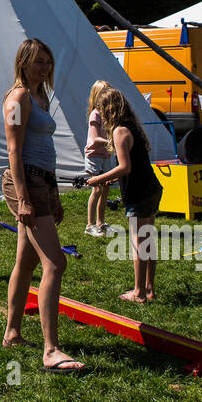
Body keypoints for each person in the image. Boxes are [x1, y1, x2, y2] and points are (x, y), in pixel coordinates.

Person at [1, 38, 85, 375]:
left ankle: (12, 333)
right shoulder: (18, 98)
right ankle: (51, 350)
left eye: (47, 62)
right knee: (56, 263)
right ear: (23, 62)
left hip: (43, 182)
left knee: (25, 260)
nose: (44, 68)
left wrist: (54, 194)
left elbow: (43, 147)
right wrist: (23, 198)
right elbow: (13, 150)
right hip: (26, 183)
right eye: (38, 62)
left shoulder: (41, 96)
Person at [87, 87, 161, 303]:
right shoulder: (132, 127)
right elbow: (133, 164)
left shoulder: (119, 131)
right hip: (151, 188)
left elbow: (125, 167)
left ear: (109, 109)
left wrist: (98, 179)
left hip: (139, 192)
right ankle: (150, 289)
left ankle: (138, 293)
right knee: (148, 239)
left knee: (139, 242)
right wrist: (112, 178)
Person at [83, 80, 115, 238]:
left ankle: (101, 222)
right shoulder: (95, 114)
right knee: (97, 189)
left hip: (105, 155)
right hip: (94, 155)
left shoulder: (107, 113)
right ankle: (90, 225)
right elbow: (95, 139)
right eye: (103, 92)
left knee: (106, 188)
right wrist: (111, 141)